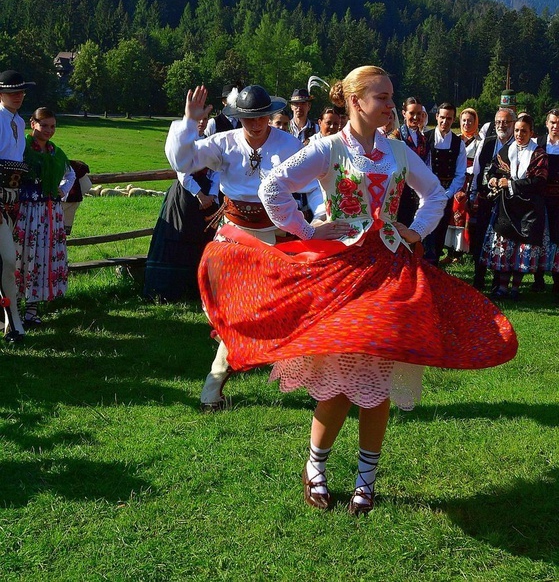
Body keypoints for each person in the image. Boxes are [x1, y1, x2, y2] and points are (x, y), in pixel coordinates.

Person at [198, 66, 518, 514]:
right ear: (355, 101)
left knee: (378, 380)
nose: (391, 105)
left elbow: (436, 196)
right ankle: (316, 469)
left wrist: (415, 231)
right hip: (341, 275)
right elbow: (274, 186)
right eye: (382, 98)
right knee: (337, 383)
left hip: (389, 275)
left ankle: (366, 480)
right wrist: (307, 229)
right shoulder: (329, 149)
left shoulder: (399, 152)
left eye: (391, 98)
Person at [165, 84, 319, 409]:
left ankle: (214, 386)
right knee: (227, 314)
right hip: (231, 237)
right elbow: (183, 160)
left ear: (270, 115)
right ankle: (231, 362)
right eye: (248, 118)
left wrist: (319, 215)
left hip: (272, 239)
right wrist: (188, 123)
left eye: (261, 116)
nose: (255, 123)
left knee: (254, 313)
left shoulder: (288, 145)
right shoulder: (224, 143)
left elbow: (314, 183)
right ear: (239, 117)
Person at [144, 115, 220, 301]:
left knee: (202, 237)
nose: (202, 122)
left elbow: (217, 170)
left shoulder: (210, 142)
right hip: (185, 195)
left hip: (207, 194)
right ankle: (168, 290)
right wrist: (199, 194)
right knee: (179, 234)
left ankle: (198, 288)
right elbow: (182, 173)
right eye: (198, 119)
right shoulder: (183, 142)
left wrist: (212, 194)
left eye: (205, 119)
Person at [14, 107, 75, 327]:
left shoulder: (55, 152)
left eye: (52, 126)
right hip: (26, 211)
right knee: (22, 257)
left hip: (49, 212)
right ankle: (14, 310)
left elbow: (71, 173)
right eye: (44, 125)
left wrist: (62, 190)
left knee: (41, 258)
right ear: (33, 124)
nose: (49, 130)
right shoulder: (22, 148)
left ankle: (31, 310)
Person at [481, 114, 548, 300]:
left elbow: (539, 181)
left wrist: (510, 184)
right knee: (505, 248)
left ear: (531, 133)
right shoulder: (505, 151)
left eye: (523, 131)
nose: (519, 134)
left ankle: (515, 288)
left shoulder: (539, 154)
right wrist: (492, 179)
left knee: (522, 249)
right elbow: (492, 170)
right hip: (507, 209)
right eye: (517, 130)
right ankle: (502, 287)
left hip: (529, 211)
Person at [0, 69, 36, 341]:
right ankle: (14, 324)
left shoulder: (20, 122)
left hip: (12, 197)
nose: (18, 96)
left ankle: (10, 323)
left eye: (21, 91)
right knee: (8, 259)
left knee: (5, 260)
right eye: (12, 92)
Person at [469, 108, 515, 290]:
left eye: (505, 122)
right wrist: (473, 195)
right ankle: (478, 277)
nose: (501, 126)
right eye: (498, 122)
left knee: (502, 242)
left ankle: (499, 280)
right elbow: (477, 171)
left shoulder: (517, 146)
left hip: (507, 203)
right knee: (480, 238)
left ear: (512, 124)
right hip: (485, 200)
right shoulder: (488, 143)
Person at [423, 102, 467, 265]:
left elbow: (460, 173)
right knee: (423, 230)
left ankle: (434, 266)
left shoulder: (458, 143)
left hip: (445, 194)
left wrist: (447, 194)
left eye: (449, 118)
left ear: (453, 120)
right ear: (436, 117)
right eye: (442, 117)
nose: (445, 122)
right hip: (425, 193)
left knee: (440, 230)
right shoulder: (425, 139)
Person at [443, 108, 481, 261]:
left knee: (463, 214)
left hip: (470, 181)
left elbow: (478, 164)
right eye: (464, 120)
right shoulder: (456, 139)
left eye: (470, 121)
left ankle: (460, 252)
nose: (466, 123)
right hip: (455, 180)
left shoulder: (479, 142)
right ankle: (450, 251)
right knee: (451, 214)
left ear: (475, 122)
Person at [393, 97, 430, 228]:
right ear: (404, 114)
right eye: (412, 113)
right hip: (400, 193)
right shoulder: (395, 136)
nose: (416, 117)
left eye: (419, 114)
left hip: (418, 193)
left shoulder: (423, 139)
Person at [539, 108, 559, 296]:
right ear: (547, 124)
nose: (555, 126)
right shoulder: (538, 144)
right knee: (540, 237)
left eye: (558, 123)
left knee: (557, 239)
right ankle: (537, 279)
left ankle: (556, 280)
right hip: (540, 199)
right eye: (552, 122)